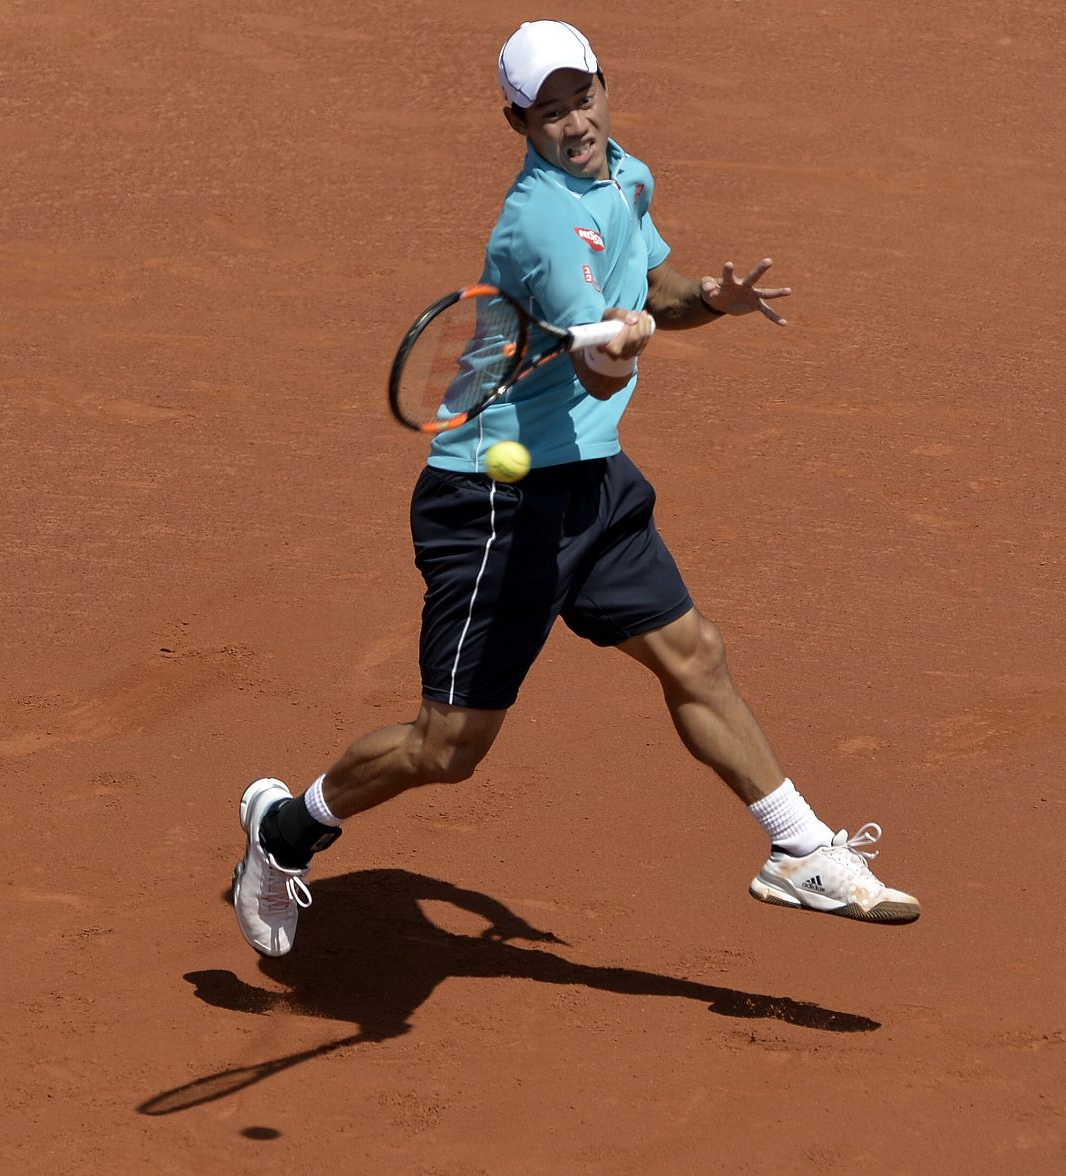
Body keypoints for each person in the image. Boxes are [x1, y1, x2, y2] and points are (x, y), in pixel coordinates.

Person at [232, 19, 919, 958]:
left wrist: (701, 304)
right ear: (517, 120)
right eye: (548, 112)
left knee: (695, 654)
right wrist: (621, 336)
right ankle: (284, 832)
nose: (573, 124)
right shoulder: (542, 224)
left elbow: (654, 286)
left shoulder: (623, 173)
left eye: (581, 99)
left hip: (587, 481)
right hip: (493, 508)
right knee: (448, 749)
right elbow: (600, 368)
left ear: (604, 86)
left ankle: (800, 850)